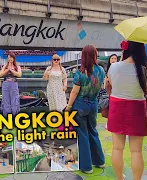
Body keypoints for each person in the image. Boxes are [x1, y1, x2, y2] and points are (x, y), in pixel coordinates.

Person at [106, 41, 147, 180]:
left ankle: (120, 178)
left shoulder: (114, 66)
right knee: (136, 150)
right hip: (137, 108)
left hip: (117, 106)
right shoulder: (144, 69)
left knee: (117, 148)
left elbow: (111, 85)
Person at [65, 45, 105, 174]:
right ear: (94, 55)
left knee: (82, 135)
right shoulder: (101, 70)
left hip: (80, 106)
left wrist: (68, 107)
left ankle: (86, 166)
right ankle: (99, 161)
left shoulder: (80, 73)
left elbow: (74, 93)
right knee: (93, 131)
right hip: (93, 105)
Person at [43, 54, 67, 130]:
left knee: (61, 104)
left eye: (58, 59)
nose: (56, 61)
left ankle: (61, 121)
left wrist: (65, 86)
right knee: (53, 104)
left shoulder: (62, 69)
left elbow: (65, 78)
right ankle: (54, 120)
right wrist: (46, 72)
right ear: (52, 61)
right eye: (54, 60)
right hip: (51, 88)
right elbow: (45, 78)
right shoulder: (49, 68)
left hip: (60, 88)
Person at [0, 52, 22, 117]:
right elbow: (0, 74)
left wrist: (11, 70)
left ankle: (15, 116)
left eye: (11, 57)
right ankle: (7, 116)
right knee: (5, 99)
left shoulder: (17, 66)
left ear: (14, 58)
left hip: (14, 84)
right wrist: (7, 70)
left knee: (14, 99)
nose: (10, 59)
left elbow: (19, 74)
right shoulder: (5, 66)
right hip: (5, 84)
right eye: (8, 57)